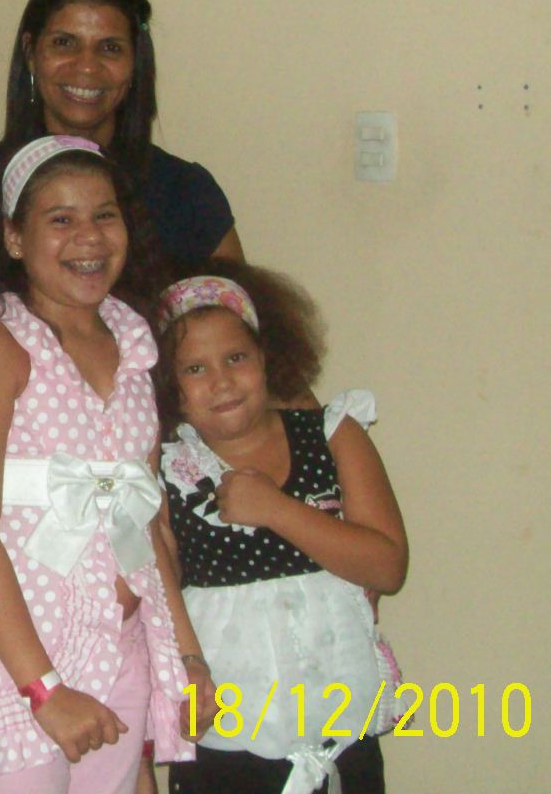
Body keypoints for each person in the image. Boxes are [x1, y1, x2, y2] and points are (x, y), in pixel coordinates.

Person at [0, 0, 246, 649]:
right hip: (9, 530)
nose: (87, 66)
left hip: (158, 511)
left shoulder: (185, 194)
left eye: (109, 47)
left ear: (135, 65)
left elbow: (249, 354)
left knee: (154, 694)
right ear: (31, 52)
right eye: (65, 43)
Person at [0, 135, 214, 793]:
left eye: (104, 215)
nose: (87, 237)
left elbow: (147, 525)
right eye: (60, 219)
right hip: (17, 662)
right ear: (15, 238)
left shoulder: (135, 347)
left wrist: (188, 656)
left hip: (118, 647)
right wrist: (45, 690)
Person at [153, 262, 408, 793]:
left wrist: (276, 509)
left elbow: (387, 566)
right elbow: (159, 583)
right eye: (195, 369)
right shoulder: (167, 468)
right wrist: (186, 665)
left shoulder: (331, 434)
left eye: (236, 357)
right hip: (228, 734)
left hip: (343, 728)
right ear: (170, 388)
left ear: (267, 358)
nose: (221, 380)